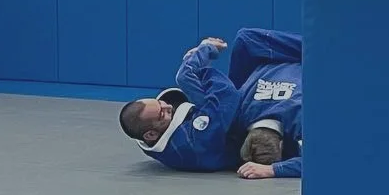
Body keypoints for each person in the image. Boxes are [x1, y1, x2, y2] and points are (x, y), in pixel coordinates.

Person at [120, 28, 304, 179]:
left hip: (249, 99)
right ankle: (318, 51)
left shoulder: (151, 133)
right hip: (244, 106)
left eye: (161, 103)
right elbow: (226, 97)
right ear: (151, 134)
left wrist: (195, 63)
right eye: (162, 113)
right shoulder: (192, 144)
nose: (168, 106)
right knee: (243, 40)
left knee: (246, 39)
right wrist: (197, 66)